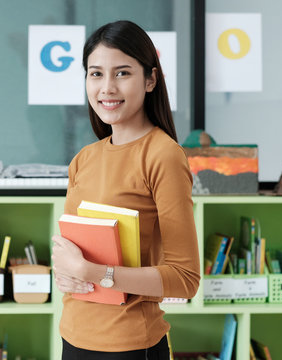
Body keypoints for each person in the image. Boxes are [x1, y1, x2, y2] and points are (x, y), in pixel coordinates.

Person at [51, 20, 200, 359]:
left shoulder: (163, 156)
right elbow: (70, 251)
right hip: (73, 337)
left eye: (122, 73)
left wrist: (92, 274)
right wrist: (65, 274)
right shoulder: (83, 159)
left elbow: (184, 278)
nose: (107, 87)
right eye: (95, 73)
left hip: (132, 345)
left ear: (150, 79)